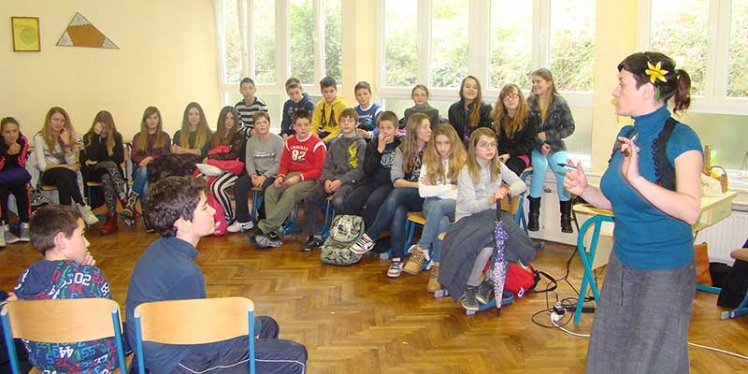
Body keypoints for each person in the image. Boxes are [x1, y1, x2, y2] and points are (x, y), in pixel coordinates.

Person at [564, 52, 702, 374]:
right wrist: (586, 190)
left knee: (652, 361)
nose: (615, 92)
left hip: (665, 269)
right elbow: (621, 203)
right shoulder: (628, 135)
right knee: (609, 352)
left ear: (646, 91)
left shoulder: (682, 138)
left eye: (621, 84)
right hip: (624, 263)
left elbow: (690, 210)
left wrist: (637, 179)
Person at [125, 176, 308, 374]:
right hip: (180, 362)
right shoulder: (185, 272)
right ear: (183, 223)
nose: (213, 210)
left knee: (266, 326)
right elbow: (204, 341)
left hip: (155, 350)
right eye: (205, 207)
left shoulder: (159, 249)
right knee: (295, 355)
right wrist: (239, 330)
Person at [13, 204, 122, 373]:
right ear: (61, 241)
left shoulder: (25, 277)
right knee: (135, 333)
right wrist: (88, 271)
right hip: (94, 367)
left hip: (45, 366)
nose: (87, 242)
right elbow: (109, 328)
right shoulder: (91, 276)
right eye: (82, 235)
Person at [438, 128, 534, 310]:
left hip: (489, 219)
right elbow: (469, 206)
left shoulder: (497, 165)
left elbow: (520, 184)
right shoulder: (466, 170)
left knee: (502, 236)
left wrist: (507, 191)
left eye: (492, 144)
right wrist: (490, 199)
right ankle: (471, 286)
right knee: (490, 243)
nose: (489, 149)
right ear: (474, 148)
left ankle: (489, 281)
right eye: (483, 145)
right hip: (468, 220)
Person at [350, 113, 431, 278]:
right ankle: (397, 259)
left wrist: (419, 186)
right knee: (398, 209)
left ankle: (370, 236)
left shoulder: (435, 150)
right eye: (425, 127)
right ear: (414, 130)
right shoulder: (402, 150)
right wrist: (417, 185)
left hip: (430, 198)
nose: (430, 130)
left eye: (429, 127)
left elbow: (435, 183)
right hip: (411, 194)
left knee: (396, 195)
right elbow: (396, 180)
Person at [249, 109, 326, 248]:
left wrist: (299, 178)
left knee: (290, 193)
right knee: (271, 190)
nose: (303, 128)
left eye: (306, 125)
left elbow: (319, 171)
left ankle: (265, 227)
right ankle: (274, 231)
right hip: (291, 175)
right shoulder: (290, 142)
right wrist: (280, 176)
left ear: (310, 125)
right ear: (294, 126)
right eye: (299, 125)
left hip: (310, 179)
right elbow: (284, 164)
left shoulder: (317, 144)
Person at [403, 124, 466, 293]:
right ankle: (437, 268)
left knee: (440, 205)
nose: (443, 148)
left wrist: (437, 188)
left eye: (447, 143)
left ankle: (421, 248)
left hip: (455, 206)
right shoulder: (428, 162)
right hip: (431, 204)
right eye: (439, 143)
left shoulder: (463, 163)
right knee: (442, 220)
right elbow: (423, 192)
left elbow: (463, 194)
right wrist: (449, 187)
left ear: (454, 143)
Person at [301, 108, 366, 251]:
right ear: (339, 124)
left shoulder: (361, 144)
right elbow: (327, 166)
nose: (346, 124)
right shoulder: (334, 143)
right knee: (310, 197)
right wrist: (327, 180)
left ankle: (344, 235)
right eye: (343, 121)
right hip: (332, 180)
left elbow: (359, 170)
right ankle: (315, 235)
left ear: (356, 124)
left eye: (350, 121)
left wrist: (340, 181)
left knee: (338, 200)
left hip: (350, 182)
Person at [526, 68, 575, 233]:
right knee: (539, 167)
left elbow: (570, 127)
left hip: (555, 146)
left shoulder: (560, 103)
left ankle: (565, 218)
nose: (535, 85)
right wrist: (539, 142)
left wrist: (548, 135)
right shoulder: (529, 103)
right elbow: (524, 129)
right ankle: (533, 217)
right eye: (533, 82)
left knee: (563, 169)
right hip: (535, 146)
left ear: (548, 83)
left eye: (538, 81)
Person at [32, 107, 98, 225]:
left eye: (62, 120)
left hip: (64, 176)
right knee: (65, 173)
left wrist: (66, 144)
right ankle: (82, 205)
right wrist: (66, 167)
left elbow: (71, 161)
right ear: (49, 120)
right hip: (48, 174)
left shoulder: (66, 135)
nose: (59, 123)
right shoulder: (39, 138)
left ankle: (66, 220)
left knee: (63, 182)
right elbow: (42, 166)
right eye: (55, 119)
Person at [338, 111, 401, 227]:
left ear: (396, 130)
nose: (385, 131)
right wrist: (379, 151)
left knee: (373, 202)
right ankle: (350, 232)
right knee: (351, 200)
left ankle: (367, 237)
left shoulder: (400, 146)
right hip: (371, 182)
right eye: (382, 128)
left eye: (389, 128)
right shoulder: (373, 144)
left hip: (388, 185)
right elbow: (367, 169)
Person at [228, 112, 284, 233]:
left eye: (265, 122)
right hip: (256, 173)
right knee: (239, 185)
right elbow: (249, 161)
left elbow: (279, 164)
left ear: (269, 124)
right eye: (258, 123)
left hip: (272, 174)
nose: (262, 125)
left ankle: (264, 219)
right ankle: (244, 220)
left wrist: (264, 177)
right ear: (254, 126)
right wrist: (253, 175)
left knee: (267, 187)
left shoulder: (278, 141)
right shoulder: (251, 142)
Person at [81, 110, 127, 235]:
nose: (104, 129)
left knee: (107, 177)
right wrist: (96, 136)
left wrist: (100, 159)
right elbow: (93, 155)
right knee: (109, 165)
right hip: (95, 173)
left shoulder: (116, 136)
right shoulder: (89, 137)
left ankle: (111, 217)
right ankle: (125, 201)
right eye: (101, 126)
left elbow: (120, 158)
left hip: (112, 174)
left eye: (107, 126)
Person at [124, 106, 171, 225]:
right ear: (144, 120)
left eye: (155, 117)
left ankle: (132, 203)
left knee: (145, 177)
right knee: (144, 175)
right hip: (140, 171)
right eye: (149, 117)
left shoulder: (164, 136)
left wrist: (149, 158)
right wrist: (144, 161)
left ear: (159, 120)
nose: (152, 120)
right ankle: (148, 218)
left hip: (158, 171)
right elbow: (134, 156)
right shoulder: (138, 137)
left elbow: (165, 155)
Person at [204, 106, 247, 225]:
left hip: (234, 171)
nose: (229, 121)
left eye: (232, 118)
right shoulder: (215, 136)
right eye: (226, 118)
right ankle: (212, 213)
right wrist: (208, 159)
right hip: (216, 169)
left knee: (216, 187)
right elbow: (207, 153)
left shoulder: (239, 135)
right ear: (221, 120)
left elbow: (232, 156)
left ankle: (229, 215)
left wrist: (211, 158)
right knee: (198, 183)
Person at [491, 83, 539, 176]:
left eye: (513, 96)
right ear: (502, 100)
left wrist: (508, 155)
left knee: (509, 171)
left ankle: (508, 190)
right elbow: (496, 140)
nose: (510, 99)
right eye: (506, 97)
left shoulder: (529, 117)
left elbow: (529, 144)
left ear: (519, 97)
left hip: (521, 154)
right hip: (501, 153)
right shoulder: (497, 116)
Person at [0, 117, 31, 243]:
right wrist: (8, 154)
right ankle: (4, 227)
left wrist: (12, 155)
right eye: (8, 132)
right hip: (1, 176)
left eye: (15, 131)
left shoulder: (22, 140)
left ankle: (25, 224)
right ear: (2, 133)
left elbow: (20, 162)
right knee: (1, 192)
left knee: (22, 189)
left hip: (15, 174)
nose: (12, 135)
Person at [448, 76, 493, 144]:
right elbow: (453, 134)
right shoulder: (454, 109)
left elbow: (487, 134)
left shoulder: (486, 108)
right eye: (467, 86)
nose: (471, 89)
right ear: (462, 89)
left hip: (479, 146)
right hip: (459, 147)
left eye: (475, 87)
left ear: (478, 91)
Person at [311, 76, 347, 143]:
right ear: (321, 92)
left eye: (331, 91)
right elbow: (313, 125)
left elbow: (340, 127)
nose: (329, 94)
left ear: (336, 90)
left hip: (336, 134)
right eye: (326, 91)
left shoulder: (342, 105)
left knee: (332, 143)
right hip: (323, 132)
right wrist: (316, 138)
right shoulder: (319, 105)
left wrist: (325, 140)